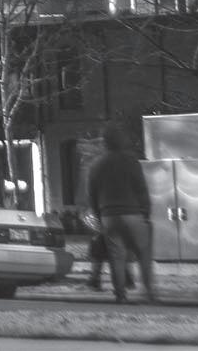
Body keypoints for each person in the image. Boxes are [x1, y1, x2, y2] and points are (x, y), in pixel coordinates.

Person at [86, 123, 157, 304]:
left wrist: (99, 217)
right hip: (132, 212)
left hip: (109, 216)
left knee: (116, 256)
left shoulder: (96, 165)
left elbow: (92, 194)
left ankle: (120, 295)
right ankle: (149, 293)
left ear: (105, 142)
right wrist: (146, 213)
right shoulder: (130, 161)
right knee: (143, 253)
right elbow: (141, 189)